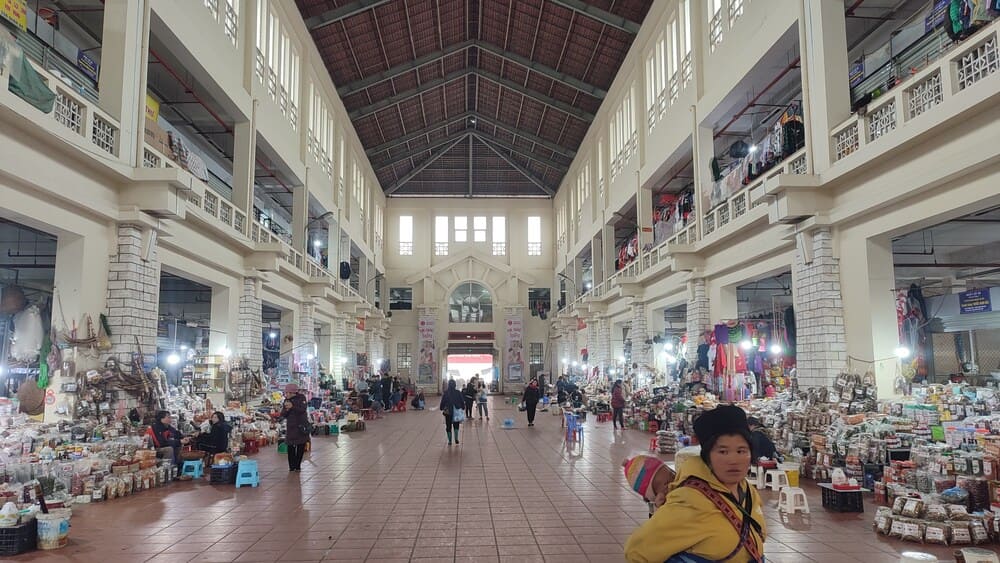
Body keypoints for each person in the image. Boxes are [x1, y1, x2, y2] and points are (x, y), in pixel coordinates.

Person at [624, 405, 765, 563]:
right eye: (723, 451)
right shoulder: (690, 499)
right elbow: (637, 551)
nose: (733, 460)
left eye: (741, 451)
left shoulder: (748, 491)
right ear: (707, 457)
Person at [280, 384, 309, 471]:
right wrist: (287, 410)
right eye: (286, 393)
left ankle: (298, 465)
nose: (286, 394)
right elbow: (283, 414)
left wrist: (293, 407)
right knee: (290, 446)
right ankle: (292, 467)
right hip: (291, 427)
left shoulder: (301, 398)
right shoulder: (286, 401)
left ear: (293, 392)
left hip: (301, 426)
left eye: (288, 392)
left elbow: (302, 409)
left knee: (301, 445)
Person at [440, 379, 465, 445]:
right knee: (456, 425)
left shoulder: (446, 392)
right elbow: (462, 401)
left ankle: (450, 441)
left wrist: (441, 407)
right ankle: (456, 438)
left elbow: (443, 402)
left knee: (448, 426)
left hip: (448, 411)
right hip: (456, 411)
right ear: (455, 385)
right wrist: (463, 407)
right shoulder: (458, 392)